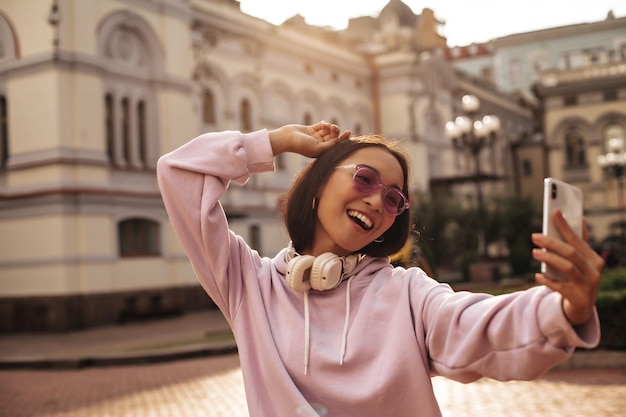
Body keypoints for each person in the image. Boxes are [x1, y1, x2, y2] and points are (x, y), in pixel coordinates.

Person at [157, 121, 604, 417]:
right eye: (364, 178)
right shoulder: (248, 286)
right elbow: (180, 174)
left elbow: (477, 326)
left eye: (393, 198)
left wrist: (565, 309)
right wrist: (278, 141)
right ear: (317, 184)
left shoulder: (408, 294)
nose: (376, 200)